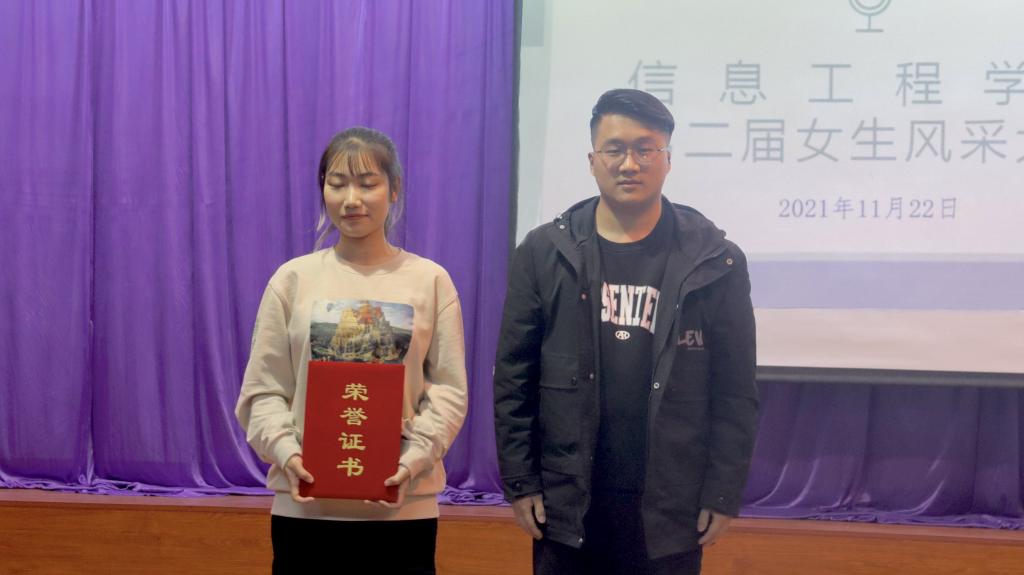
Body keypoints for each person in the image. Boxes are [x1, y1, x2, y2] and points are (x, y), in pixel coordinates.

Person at [493, 89, 758, 574]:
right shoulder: (544, 252)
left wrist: (722, 491)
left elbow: (736, 389)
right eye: (614, 149)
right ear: (592, 160)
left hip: (670, 504)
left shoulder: (715, 261)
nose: (629, 164)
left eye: (645, 149)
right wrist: (521, 481)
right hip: (568, 499)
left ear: (668, 159)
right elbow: (514, 378)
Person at [236, 127, 468, 574]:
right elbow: (263, 390)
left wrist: (412, 459)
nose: (351, 199)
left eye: (367, 183)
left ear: (394, 190)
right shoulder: (292, 280)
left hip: (403, 509)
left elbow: (448, 391)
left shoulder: (430, 281)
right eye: (337, 184)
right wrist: (288, 454)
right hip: (305, 510)